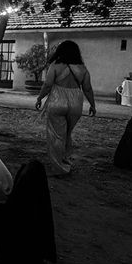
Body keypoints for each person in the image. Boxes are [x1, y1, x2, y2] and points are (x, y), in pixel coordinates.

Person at [35, 40, 96, 176]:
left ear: (60, 51)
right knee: (67, 134)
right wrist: (92, 104)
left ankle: (59, 168)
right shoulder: (83, 69)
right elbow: (87, 88)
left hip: (58, 101)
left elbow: (47, 85)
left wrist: (40, 98)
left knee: (57, 135)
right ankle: (66, 160)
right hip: (76, 103)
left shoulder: (55, 66)